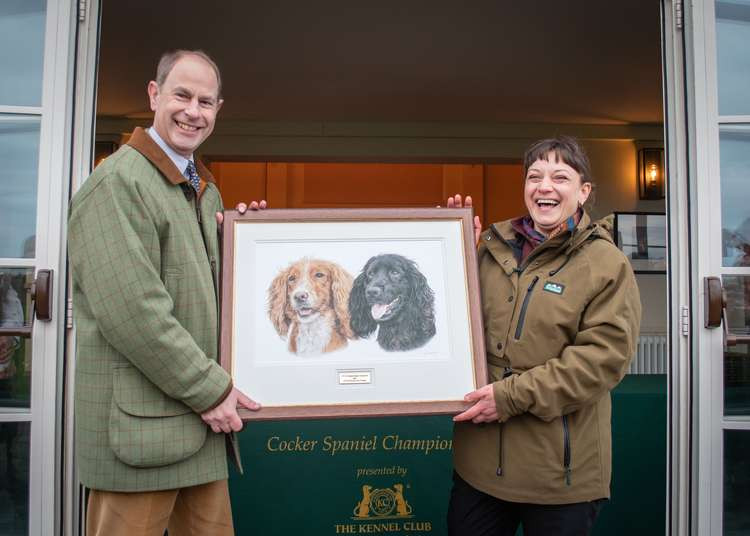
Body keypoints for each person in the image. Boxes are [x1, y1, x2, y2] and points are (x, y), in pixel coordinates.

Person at [68, 50, 265, 536]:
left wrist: (252, 241)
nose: (193, 111)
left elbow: (204, 291)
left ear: (219, 109)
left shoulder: (203, 189)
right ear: (154, 95)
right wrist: (211, 389)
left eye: (206, 101)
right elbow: (135, 313)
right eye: (182, 95)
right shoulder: (117, 182)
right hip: (143, 435)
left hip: (200, 430)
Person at [446, 136, 641, 535]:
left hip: (561, 474)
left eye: (560, 177)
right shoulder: (490, 248)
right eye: (534, 176)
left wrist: (510, 396)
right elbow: (451, 324)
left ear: (584, 191)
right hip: (480, 467)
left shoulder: (607, 264)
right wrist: (453, 252)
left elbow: (601, 361)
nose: (544, 186)